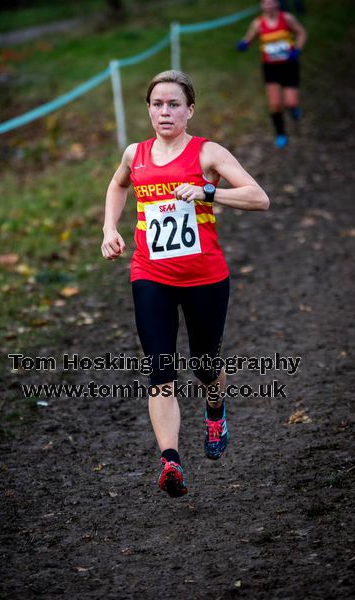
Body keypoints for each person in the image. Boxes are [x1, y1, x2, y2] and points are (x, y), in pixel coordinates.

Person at [101, 70, 269, 498]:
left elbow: (258, 197)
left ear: (189, 110)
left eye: (174, 104)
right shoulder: (134, 154)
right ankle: (171, 460)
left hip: (205, 277)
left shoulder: (207, 152)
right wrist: (109, 228)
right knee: (160, 368)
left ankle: (216, 408)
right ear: (149, 110)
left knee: (205, 365)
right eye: (157, 104)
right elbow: (117, 185)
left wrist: (209, 193)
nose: (164, 112)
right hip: (150, 274)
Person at [237, 0, 307, 148]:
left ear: (277, 3)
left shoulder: (286, 18)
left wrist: (297, 50)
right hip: (270, 68)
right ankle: (280, 134)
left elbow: (301, 33)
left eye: (271, 2)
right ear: (262, 6)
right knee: (275, 104)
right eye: (265, 3)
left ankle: (294, 109)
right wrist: (244, 44)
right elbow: (249, 38)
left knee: (290, 101)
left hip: (289, 66)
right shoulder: (258, 23)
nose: (268, 5)